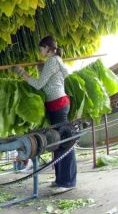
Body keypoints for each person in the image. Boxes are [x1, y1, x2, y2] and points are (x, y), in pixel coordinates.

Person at [15, 35, 77, 193]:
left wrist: (22, 74)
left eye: (41, 48)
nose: (40, 51)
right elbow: (53, 79)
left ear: (48, 48)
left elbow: (39, 85)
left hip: (58, 105)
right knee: (57, 142)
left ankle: (67, 182)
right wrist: (40, 69)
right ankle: (60, 179)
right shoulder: (55, 60)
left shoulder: (52, 61)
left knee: (64, 143)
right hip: (57, 104)